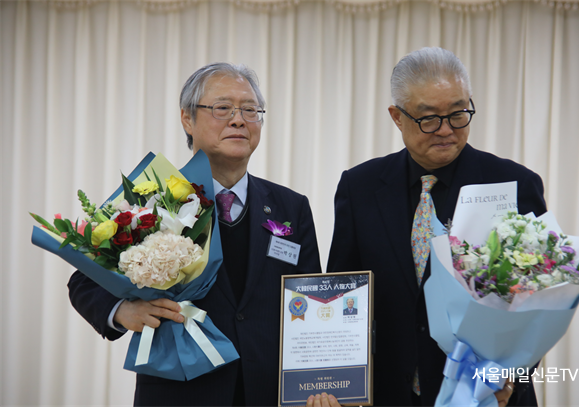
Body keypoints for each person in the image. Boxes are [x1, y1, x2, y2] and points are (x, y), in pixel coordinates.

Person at [67, 63, 322, 406]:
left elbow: (309, 301)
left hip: (270, 393)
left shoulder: (291, 206)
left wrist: (319, 382)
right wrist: (122, 310)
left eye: (250, 110)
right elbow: (84, 280)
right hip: (181, 392)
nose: (238, 120)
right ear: (187, 119)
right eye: (223, 108)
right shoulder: (151, 196)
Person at [327, 47, 546, 407]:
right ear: (397, 117)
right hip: (390, 393)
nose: (446, 130)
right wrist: (335, 380)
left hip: (487, 394)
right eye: (428, 118)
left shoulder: (513, 184)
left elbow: (537, 302)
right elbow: (343, 292)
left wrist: (510, 378)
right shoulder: (360, 187)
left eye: (458, 114)